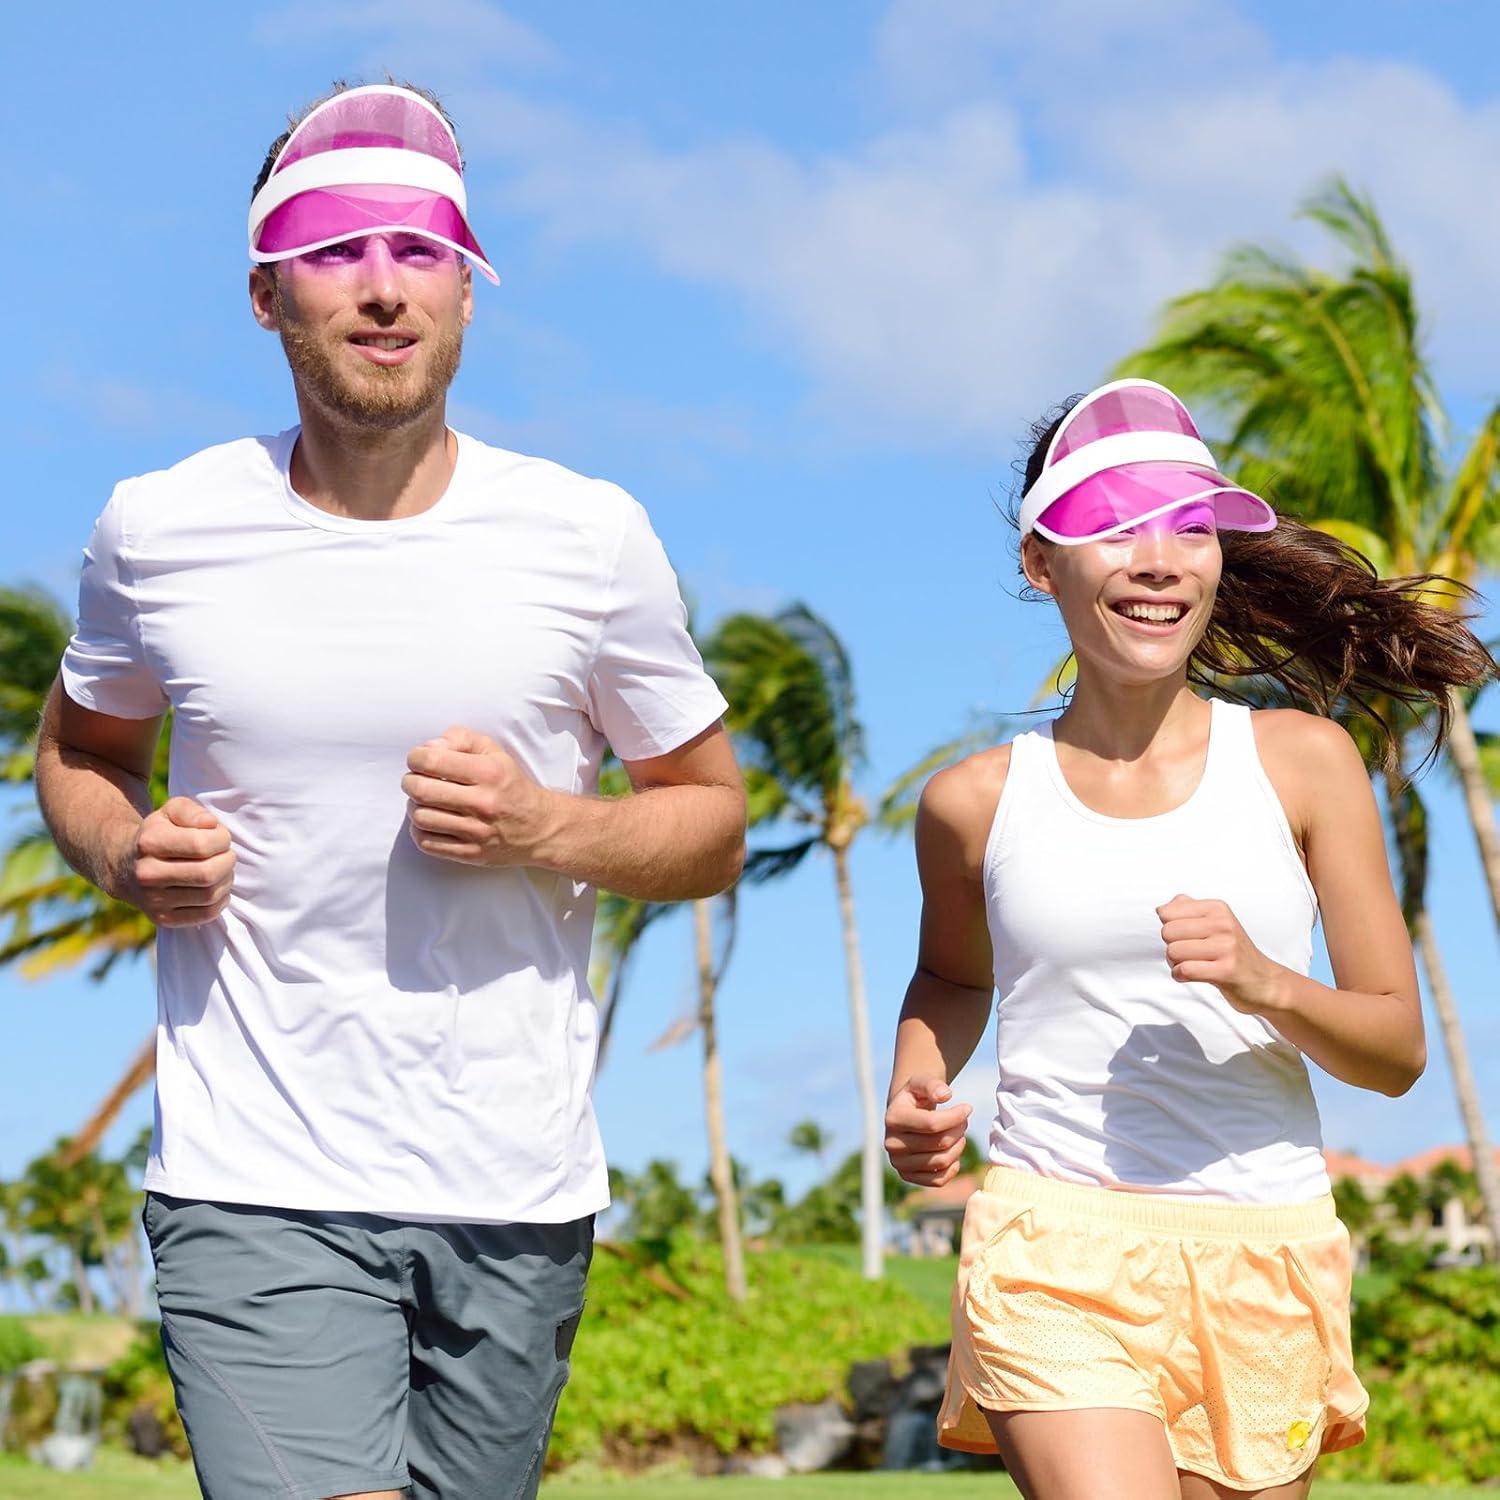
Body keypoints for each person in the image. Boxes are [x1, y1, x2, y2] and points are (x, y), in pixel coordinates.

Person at [36, 82, 745, 1500]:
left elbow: (712, 818)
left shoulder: (587, 538)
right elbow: (82, 752)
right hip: (254, 1176)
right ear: (265, 294)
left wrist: (551, 824)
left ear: (469, 295)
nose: (378, 289)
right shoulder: (158, 527)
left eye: (418, 251)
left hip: (514, 1187)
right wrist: (126, 856)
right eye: (333, 250)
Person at [882, 378, 1492, 1499]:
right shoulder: (971, 802)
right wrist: (918, 1085)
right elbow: (951, 976)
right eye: (1115, 526)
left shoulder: (1305, 765)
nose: (1159, 558)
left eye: (1189, 526)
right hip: (1053, 1241)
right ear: (1040, 563)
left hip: (1262, 1244)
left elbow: (1396, 1052)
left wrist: (1268, 983)